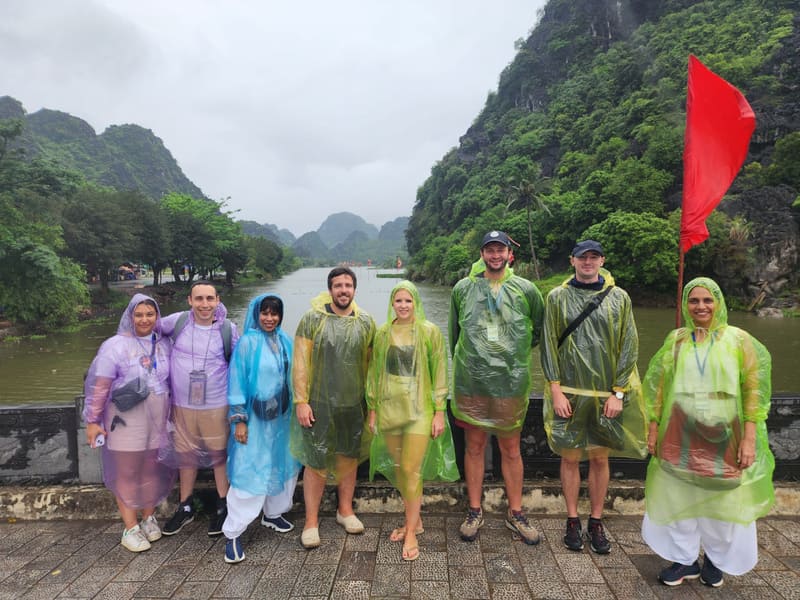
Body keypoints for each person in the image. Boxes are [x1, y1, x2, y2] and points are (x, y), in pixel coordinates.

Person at [641, 277, 774, 587]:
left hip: (725, 434)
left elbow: (754, 391)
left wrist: (750, 437)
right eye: (693, 301)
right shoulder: (677, 341)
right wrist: (652, 427)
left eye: (707, 300)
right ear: (686, 305)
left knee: (722, 498)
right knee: (678, 494)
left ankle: (716, 559)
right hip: (679, 430)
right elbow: (657, 388)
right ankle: (685, 560)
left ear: (719, 302)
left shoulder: (739, 341)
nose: (700, 306)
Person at [541, 240, 647, 554]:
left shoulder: (619, 298)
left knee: (600, 458)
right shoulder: (557, 297)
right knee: (570, 456)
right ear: (572, 261)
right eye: (582, 257)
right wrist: (556, 389)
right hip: (570, 393)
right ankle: (572, 519)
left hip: (605, 394)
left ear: (602, 261)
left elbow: (629, 345)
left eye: (593, 257)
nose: (588, 262)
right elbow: (548, 343)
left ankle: (597, 521)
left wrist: (618, 392)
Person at [449, 230, 545, 545]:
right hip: (472, 381)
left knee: (511, 449)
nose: (494, 255)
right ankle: (474, 510)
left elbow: (536, 332)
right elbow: (454, 336)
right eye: (489, 250)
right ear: (482, 254)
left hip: (509, 383)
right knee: (474, 447)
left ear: (509, 254)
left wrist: (511, 359)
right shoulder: (463, 288)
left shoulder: (526, 289)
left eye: (499, 249)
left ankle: (515, 513)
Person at [367, 281, 459, 561]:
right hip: (390, 408)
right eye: (399, 301)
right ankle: (415, 520)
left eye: (408, 301)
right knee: (400, 469)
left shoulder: (429, 332)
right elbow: (374, 373)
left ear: (415, 302)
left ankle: (410, 530)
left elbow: (440, 371)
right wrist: (373, 408)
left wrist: (440, 410)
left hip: (420, 410)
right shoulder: (383, 333)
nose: (403, 306)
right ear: (392, 304)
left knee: (411, 467)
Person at [290, 267, 376, 549]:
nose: (343, 290)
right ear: (330, 289)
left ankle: (345, 510)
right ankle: (311, 522)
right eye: (338, 285)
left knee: (348, 457)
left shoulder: (365, 322)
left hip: (353, 403)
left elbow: (372, 366)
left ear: (354, 289)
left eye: (348, 285)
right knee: (315, 462)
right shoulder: (312, 319)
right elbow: (300, 363)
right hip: (319, 403)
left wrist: (372, 405)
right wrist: (301, 401)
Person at [84, 293, 175, 552]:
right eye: (139, 314)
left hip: (158, 416)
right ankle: (130, 527)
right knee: (128, 470)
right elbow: (99, 386)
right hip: (125, 418)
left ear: (157, 316)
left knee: (151, 468)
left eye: (150, 314)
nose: (144, 320)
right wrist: (93, 420)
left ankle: (148, 517)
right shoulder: (115, 346)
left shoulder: (163, 343)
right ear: (130, 316)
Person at [222, 294, 301, 564]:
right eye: (264, 313)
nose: (270, 318)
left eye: (274, 313)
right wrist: (239, 419)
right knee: (250, 470)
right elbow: (236, 383)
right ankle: (233, 532)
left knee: (282, 464)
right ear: (256, 314)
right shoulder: (247, 344)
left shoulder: (285, 340)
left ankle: (273, 512)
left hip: (281, 419)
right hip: (255, 421)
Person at [160, 281, 239, 537]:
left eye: (209, 299)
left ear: (218, 301)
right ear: (189, 300)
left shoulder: (228, 329)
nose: (204, 305)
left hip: (216, 404)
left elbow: (241, 364)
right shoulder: (177, 322)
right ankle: (185, 506)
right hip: (182, 405)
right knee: (186, 456)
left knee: (218, 455)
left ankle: (223, 504)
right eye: (199, 299)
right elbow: (148, 331)